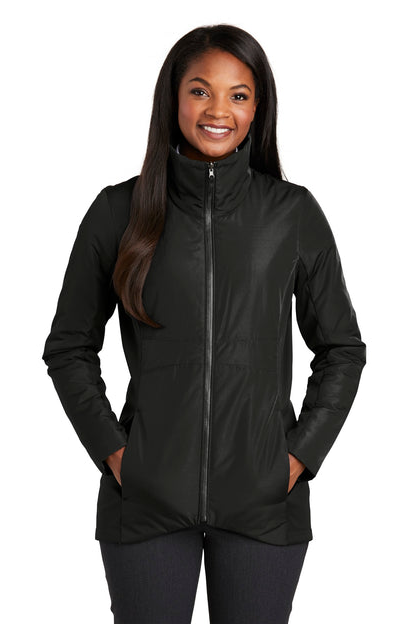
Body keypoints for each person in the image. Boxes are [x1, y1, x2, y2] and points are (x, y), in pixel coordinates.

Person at [41, 24, 367, 624]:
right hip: (146, 501)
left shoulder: (291, 213)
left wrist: (297, 458)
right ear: (173, 98)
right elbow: (68, 347)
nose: (219, 111)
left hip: (264, 504)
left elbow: (342, 348)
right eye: (200, 91)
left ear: (258, 108)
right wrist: (117, 454)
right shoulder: (118, 210)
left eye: (239, 95)